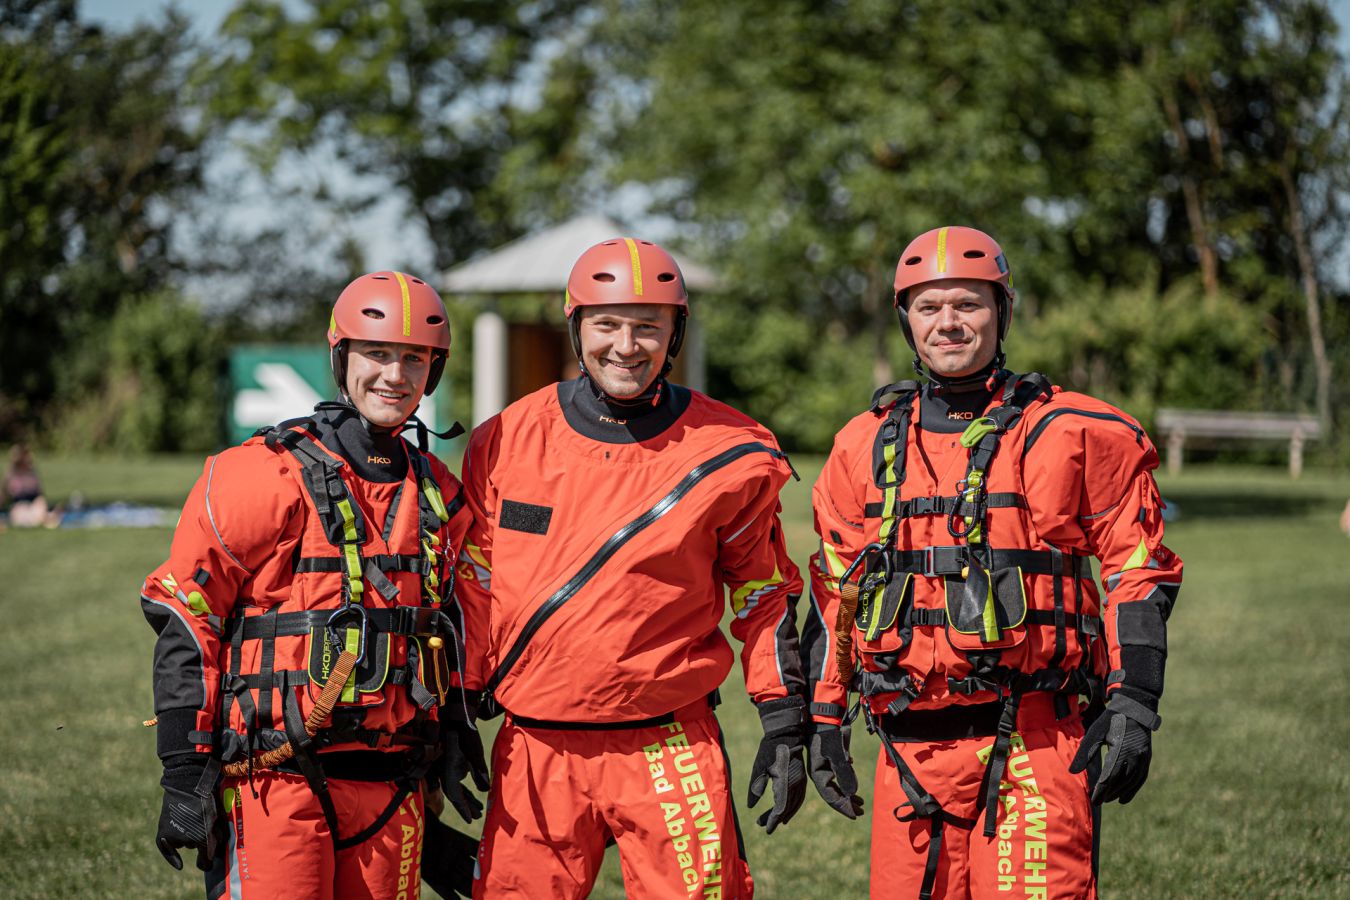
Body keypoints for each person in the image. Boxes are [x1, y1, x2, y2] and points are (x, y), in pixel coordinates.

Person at [800, 226, 1184, 899]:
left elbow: (1138, 567)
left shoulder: (1073, 432)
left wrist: (1133, 701)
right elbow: (838, 591)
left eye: (968, 304)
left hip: (1034, 744)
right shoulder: (862, 445)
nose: (948, 322)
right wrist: (825, 717)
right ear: (906, 319)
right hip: (907, 751)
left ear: (1002, 311)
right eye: (928, 306)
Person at [456, 238, 809, 898]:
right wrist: (456, 701)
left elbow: (763, 593)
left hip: (668, 744)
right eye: (607, 324)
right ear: (576, 326)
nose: (626, 345)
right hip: (536, 747)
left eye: (647, 326)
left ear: (675, 333)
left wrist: (784, 715)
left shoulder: (734, 451)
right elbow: (475, 582)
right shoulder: (506, 439)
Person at [141, 271, 484, 899]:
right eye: (377, 353)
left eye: (414, 358)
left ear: (434, 370)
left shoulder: (440, 493)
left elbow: (454, 624)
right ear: (341, 356)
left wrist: (455, 730)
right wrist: (184, 769)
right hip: (272, 779)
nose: (395, 375)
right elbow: (187, 614)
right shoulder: (261, 475)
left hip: (394, 785)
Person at [4, 443, 61, 527]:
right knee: (22, 514)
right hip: (19, 504)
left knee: (40, 503)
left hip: (33, 503)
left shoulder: (32, 472)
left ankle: (45, 518)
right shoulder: (11, 473)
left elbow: (39, 493)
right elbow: (5, 494)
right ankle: (46, 518)